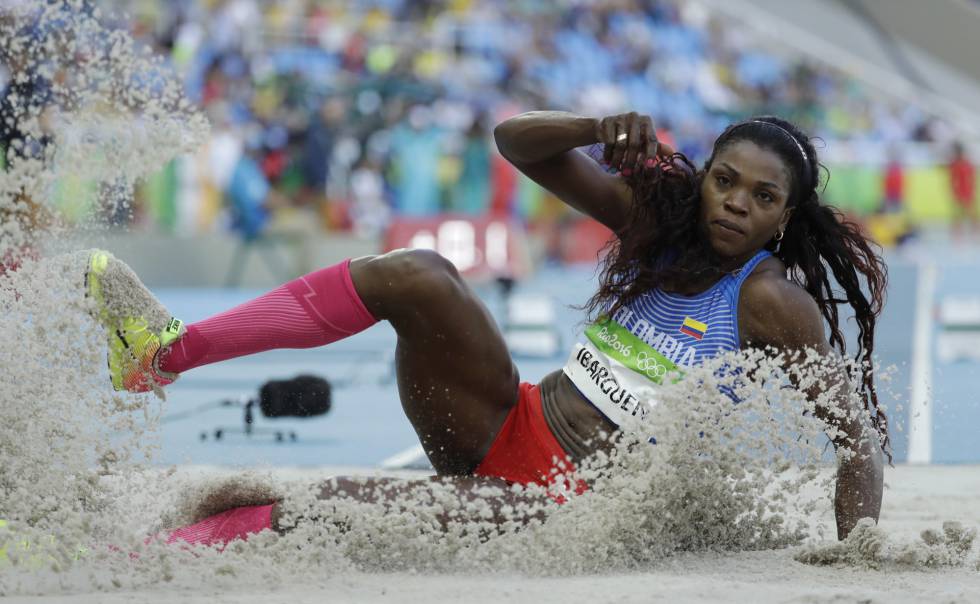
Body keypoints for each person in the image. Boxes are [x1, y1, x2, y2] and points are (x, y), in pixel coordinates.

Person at [85, 110, 886, 549]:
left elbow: (855, 439)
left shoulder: (772, 304)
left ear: (786, 217)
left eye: (762, 196)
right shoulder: (660, 222)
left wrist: (861, 553)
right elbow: (515, 145)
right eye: (724, 181)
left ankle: (130, 564)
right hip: (506, 421)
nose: (736, 203)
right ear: (702, 177)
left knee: (314, 503)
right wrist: (594, 127)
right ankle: (163, 354)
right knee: (420, 274)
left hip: (558, 504)